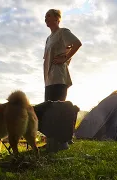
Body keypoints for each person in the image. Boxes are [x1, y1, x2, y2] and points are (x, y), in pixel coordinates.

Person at [43, 9, 82, 152]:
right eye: (45, 16)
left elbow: (77, 43)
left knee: (59, 109)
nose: (46, 18)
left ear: (57, 19)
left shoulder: (63, 32)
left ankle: (63, 141)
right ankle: (51, 142)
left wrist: (65, 58)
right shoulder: (49, 38)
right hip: (48, 79)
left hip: (59, 76)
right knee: (49, 110)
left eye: (49, 16)